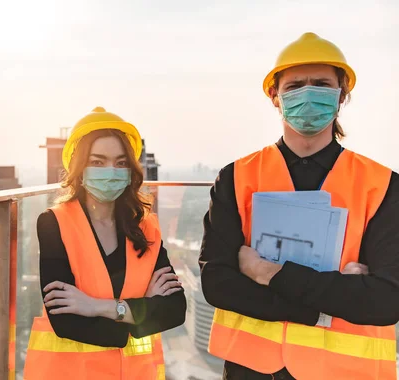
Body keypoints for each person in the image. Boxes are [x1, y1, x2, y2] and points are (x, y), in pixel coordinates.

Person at [199, 32, 399, 380]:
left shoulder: (383, 185)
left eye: (321, 84)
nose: (308, 94)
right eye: (294, 86)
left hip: (346, 373)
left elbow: (385, 299)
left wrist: (266, 273)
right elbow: (217, 282)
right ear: (275, 97)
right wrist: (328, 303)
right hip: (252, 370)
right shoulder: (237, 177)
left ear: (342, 96)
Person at [23, 107, 187, 379]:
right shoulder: (54, 223)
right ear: (79, 167)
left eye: (121, 163)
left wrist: (96, 306)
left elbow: (175, 310)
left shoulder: (146, 227)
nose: (110, 171)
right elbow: (65, 322)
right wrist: (139, 313)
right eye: (98, 162)